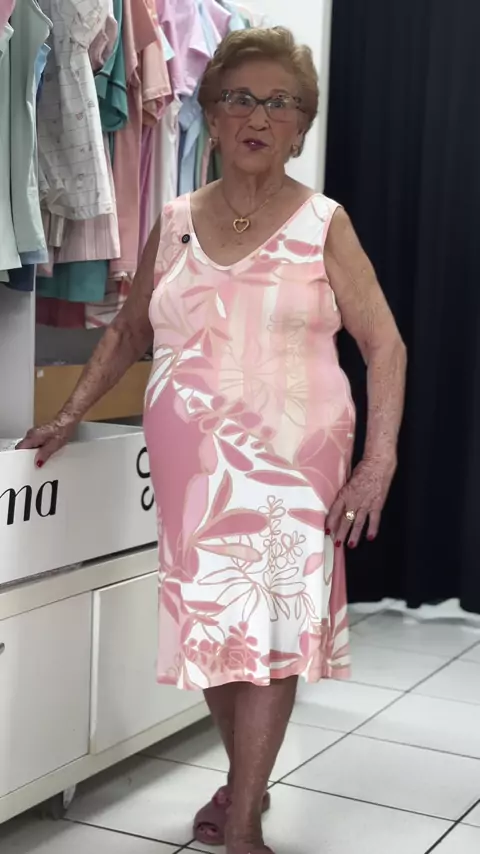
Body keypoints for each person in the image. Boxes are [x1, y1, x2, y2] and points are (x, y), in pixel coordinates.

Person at [19, 27, 407, 854]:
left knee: (273, 634)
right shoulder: (174, 221)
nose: (258, 117)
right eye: (239, 98)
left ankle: (239, 827)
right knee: (215, 630)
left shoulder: (324, 223)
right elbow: (129, 331)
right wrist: (70, 412)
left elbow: (385, 344)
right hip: (195, 467)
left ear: (301, 127)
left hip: (298, 460)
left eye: (280, 103)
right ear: (212, 113)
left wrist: (379, 461)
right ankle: (245, 790)